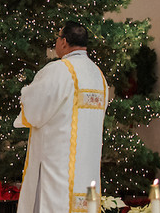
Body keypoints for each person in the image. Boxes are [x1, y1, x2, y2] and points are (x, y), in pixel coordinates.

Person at [15, 21, 108, 213]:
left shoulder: (59, 70)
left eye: (57, 38)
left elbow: (34, 110)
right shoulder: (98, 75)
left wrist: (24, 92)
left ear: (64, 42)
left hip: (57, 167)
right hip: (87, 167)